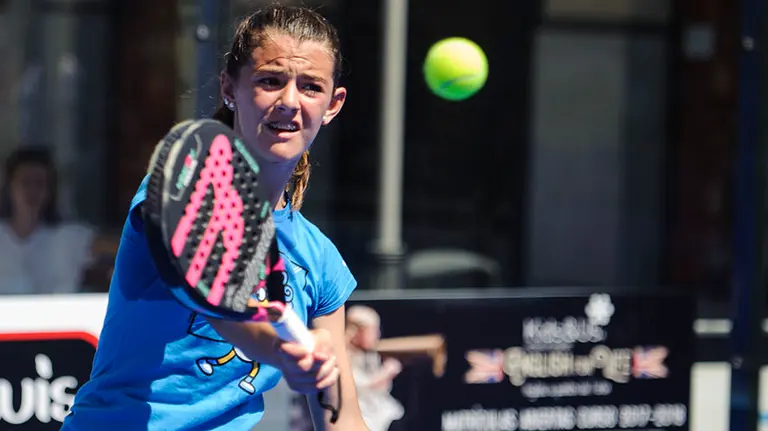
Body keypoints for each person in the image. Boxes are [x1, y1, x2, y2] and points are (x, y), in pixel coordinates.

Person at [62, 5, 368, 430]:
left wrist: (315, 366)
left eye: (311, 87)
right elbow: (223, 306)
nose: (289, 102)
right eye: (270, 81)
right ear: (229, 87)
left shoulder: (320, 261)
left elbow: (342, 419)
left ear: (333, 104)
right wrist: (281, 351)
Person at [0, 146, 97, 295]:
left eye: (40, 183)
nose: (32, 191)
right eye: (26, 183)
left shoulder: (70, 237)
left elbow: (123, 246)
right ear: (10, 187)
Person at [346, 305, 404, 431]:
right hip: (358, 413)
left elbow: (381, 391)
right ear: (357, 332)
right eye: (372, 331)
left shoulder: (371, 354)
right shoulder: (344, 356)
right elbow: (358, 387)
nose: (377, 334)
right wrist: (385, 373)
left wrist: (386, 377)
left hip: (377, 409)